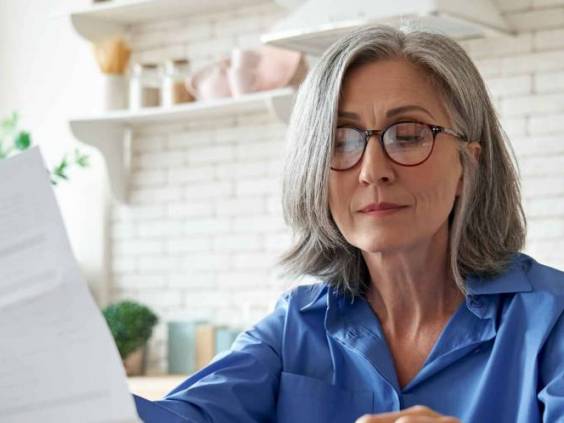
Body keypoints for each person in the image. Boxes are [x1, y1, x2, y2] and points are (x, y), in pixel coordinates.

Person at [134, 25, 564, 422]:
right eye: (340, 141)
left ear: (468, 164)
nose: (372, 170)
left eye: (408, 133)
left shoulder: (551, 322)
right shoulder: (294, 328)